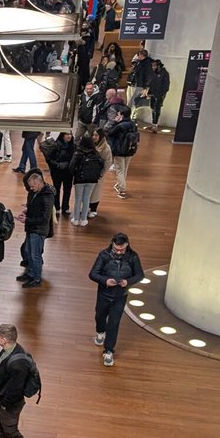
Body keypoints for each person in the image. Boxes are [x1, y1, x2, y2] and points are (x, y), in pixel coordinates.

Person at [89, 233, 144, 367]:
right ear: (112, 245)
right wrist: (105, 281)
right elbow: (93, 274)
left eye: (122, 250)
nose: (119, 252)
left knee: (114, 323)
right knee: (99, 316)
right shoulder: (104, 255)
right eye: (116, 249)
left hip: (120, 296)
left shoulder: (133, 257)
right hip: (103, 294)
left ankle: (109, 351)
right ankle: (100, 331)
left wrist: (128, 282)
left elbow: (140, 275)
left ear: (127, 246)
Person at [19, 172, 54, 288]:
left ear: (39, 183)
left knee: (35, 255)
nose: (31, 189)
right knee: (29, 252)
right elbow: (36, 208)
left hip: (38, 230)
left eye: (32, 186)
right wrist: (27, 212)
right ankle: (30, 273)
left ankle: (36, 278)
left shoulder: (47, 196)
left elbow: (44, 218)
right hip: (32, 228)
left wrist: (27, 219)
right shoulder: (37, 192)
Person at [69, 134, 104, 226]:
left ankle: (76, 219)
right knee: (87, 198)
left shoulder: (78, 153)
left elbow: (71, 167)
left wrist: (74, 174)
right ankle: (84, 219)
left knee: (78, 199)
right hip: (92, 180)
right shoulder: (96, 154)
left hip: (79, 179)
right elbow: (101, 166)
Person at [105, 106, 138, 199]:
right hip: (130, 150)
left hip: (119, 150)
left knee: (119, 170)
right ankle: (119, 184)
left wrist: (115, 122)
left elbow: (110, 133)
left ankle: (122, 190)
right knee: (124, 169)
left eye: (118, 114)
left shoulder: (120, 126)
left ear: (122, 115)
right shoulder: (133, 125)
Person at [45, 132, 75, 217]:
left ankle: (65, 207)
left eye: (70, 134)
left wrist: (70, 165)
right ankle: (56, 207)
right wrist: (57, 165)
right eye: (67, 134)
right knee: (57, 189)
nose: (69, 136)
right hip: (57, 172)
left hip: (68, 172)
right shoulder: (55, 145)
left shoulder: (73, 146)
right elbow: (48, 158)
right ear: (62, 135)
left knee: (67, 190)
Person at [89, 127, 113, 219]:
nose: (94, 137)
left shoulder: (106, 148)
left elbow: (108, 162)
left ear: (101, 136)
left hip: (98, 174)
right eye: (93, 135)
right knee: (88, 192)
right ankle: (87, 207)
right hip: (88, 173)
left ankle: (93, 209)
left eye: (96, 135)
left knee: (96, 192)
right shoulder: (90, 145)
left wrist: (102, 173)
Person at [146, 59, 170, 130]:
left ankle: (155, 124)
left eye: (154, 66)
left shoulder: (165, 73)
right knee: (152, 108)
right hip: (152, 94)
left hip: (159, 95)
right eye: (152, 66)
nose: (152, 67)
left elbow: (166, 86)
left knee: (157, 109)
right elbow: (151, 82)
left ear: (158, 66)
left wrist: (160, 94)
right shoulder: (153, 73)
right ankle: (153, 123)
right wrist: (149, 92)